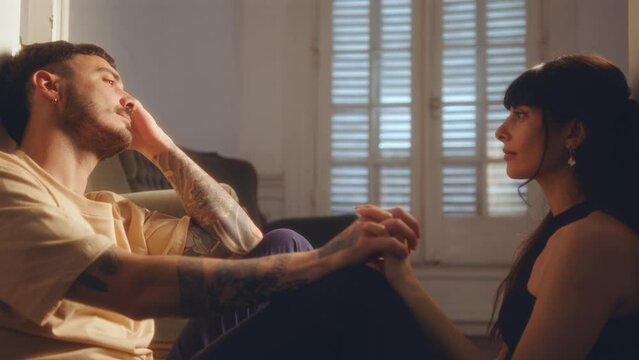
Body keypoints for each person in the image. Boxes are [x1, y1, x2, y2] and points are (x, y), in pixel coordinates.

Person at [0, 41, 433, 359]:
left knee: (284, 242)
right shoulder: (9, 182)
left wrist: (159, 147)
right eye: (109, 81)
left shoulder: (117, 211)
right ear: (49, 86)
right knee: (347, 286)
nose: (128, 100)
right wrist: (328, 258)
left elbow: (246, 242)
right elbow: (129, 288)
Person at [378, 54, 639, 359]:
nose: (500, 131)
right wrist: (403, 278)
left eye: (520, 114)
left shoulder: (592, 242)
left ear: (573, 133)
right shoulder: (559, 231)